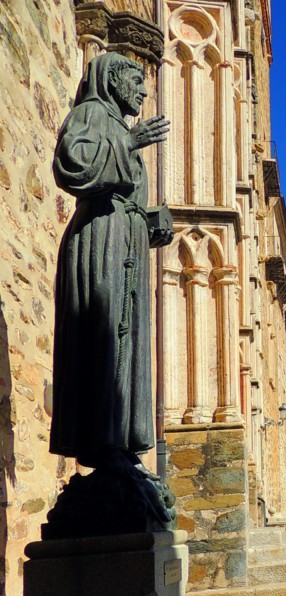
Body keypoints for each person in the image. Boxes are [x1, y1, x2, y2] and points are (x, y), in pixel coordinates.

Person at [47, 53, 174, 535]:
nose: (143, 93)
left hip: (124, 242)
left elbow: (123, 193)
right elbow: (71, 166)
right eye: (137, 82)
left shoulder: (115, 123)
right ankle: (102, 444)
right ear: (112, 79)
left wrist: (151, 220)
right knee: (102, 342)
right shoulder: (92, 114)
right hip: (99, 243)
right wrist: (127, 142)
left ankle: (120, 445)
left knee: (126, 346)